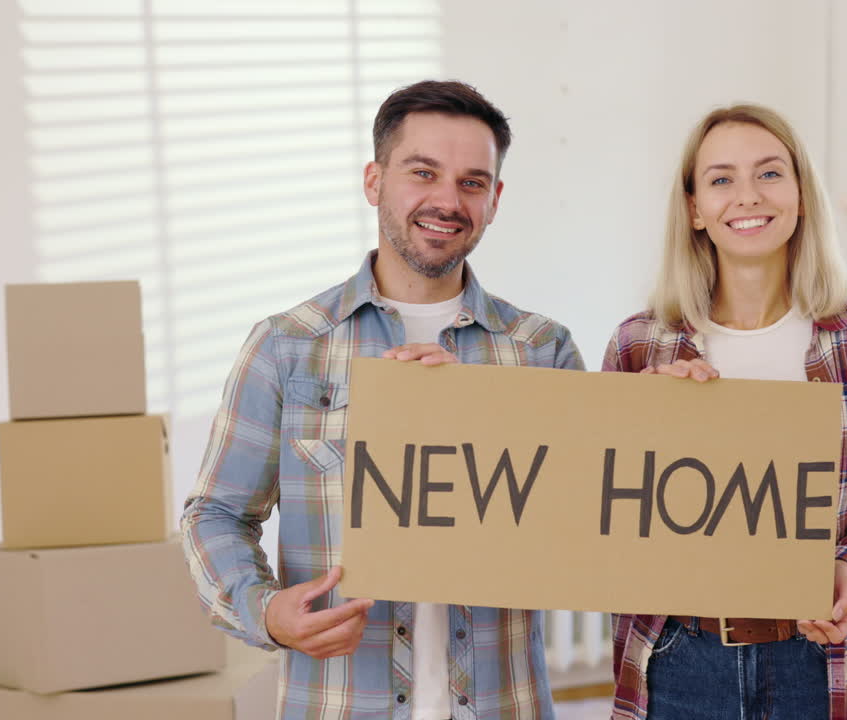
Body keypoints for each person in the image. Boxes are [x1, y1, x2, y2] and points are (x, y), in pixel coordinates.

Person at [182, 80, 583, 720]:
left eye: (472, 182)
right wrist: (266, 612)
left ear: (495, 199)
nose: (447, 201)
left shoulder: (542, 350)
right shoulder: (287, 346)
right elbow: (217, 513)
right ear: (374, 181)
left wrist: (482, 416)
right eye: (423, 173)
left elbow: (581, 529)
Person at [602, 104, 847, 720]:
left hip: (820, 662)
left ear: (801, 195)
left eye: (770, 173)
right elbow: (604, 513)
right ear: (695, 208)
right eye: (721, 179)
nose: (748, 195)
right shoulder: (640, 345)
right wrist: (639, 421)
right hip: (679, 656)